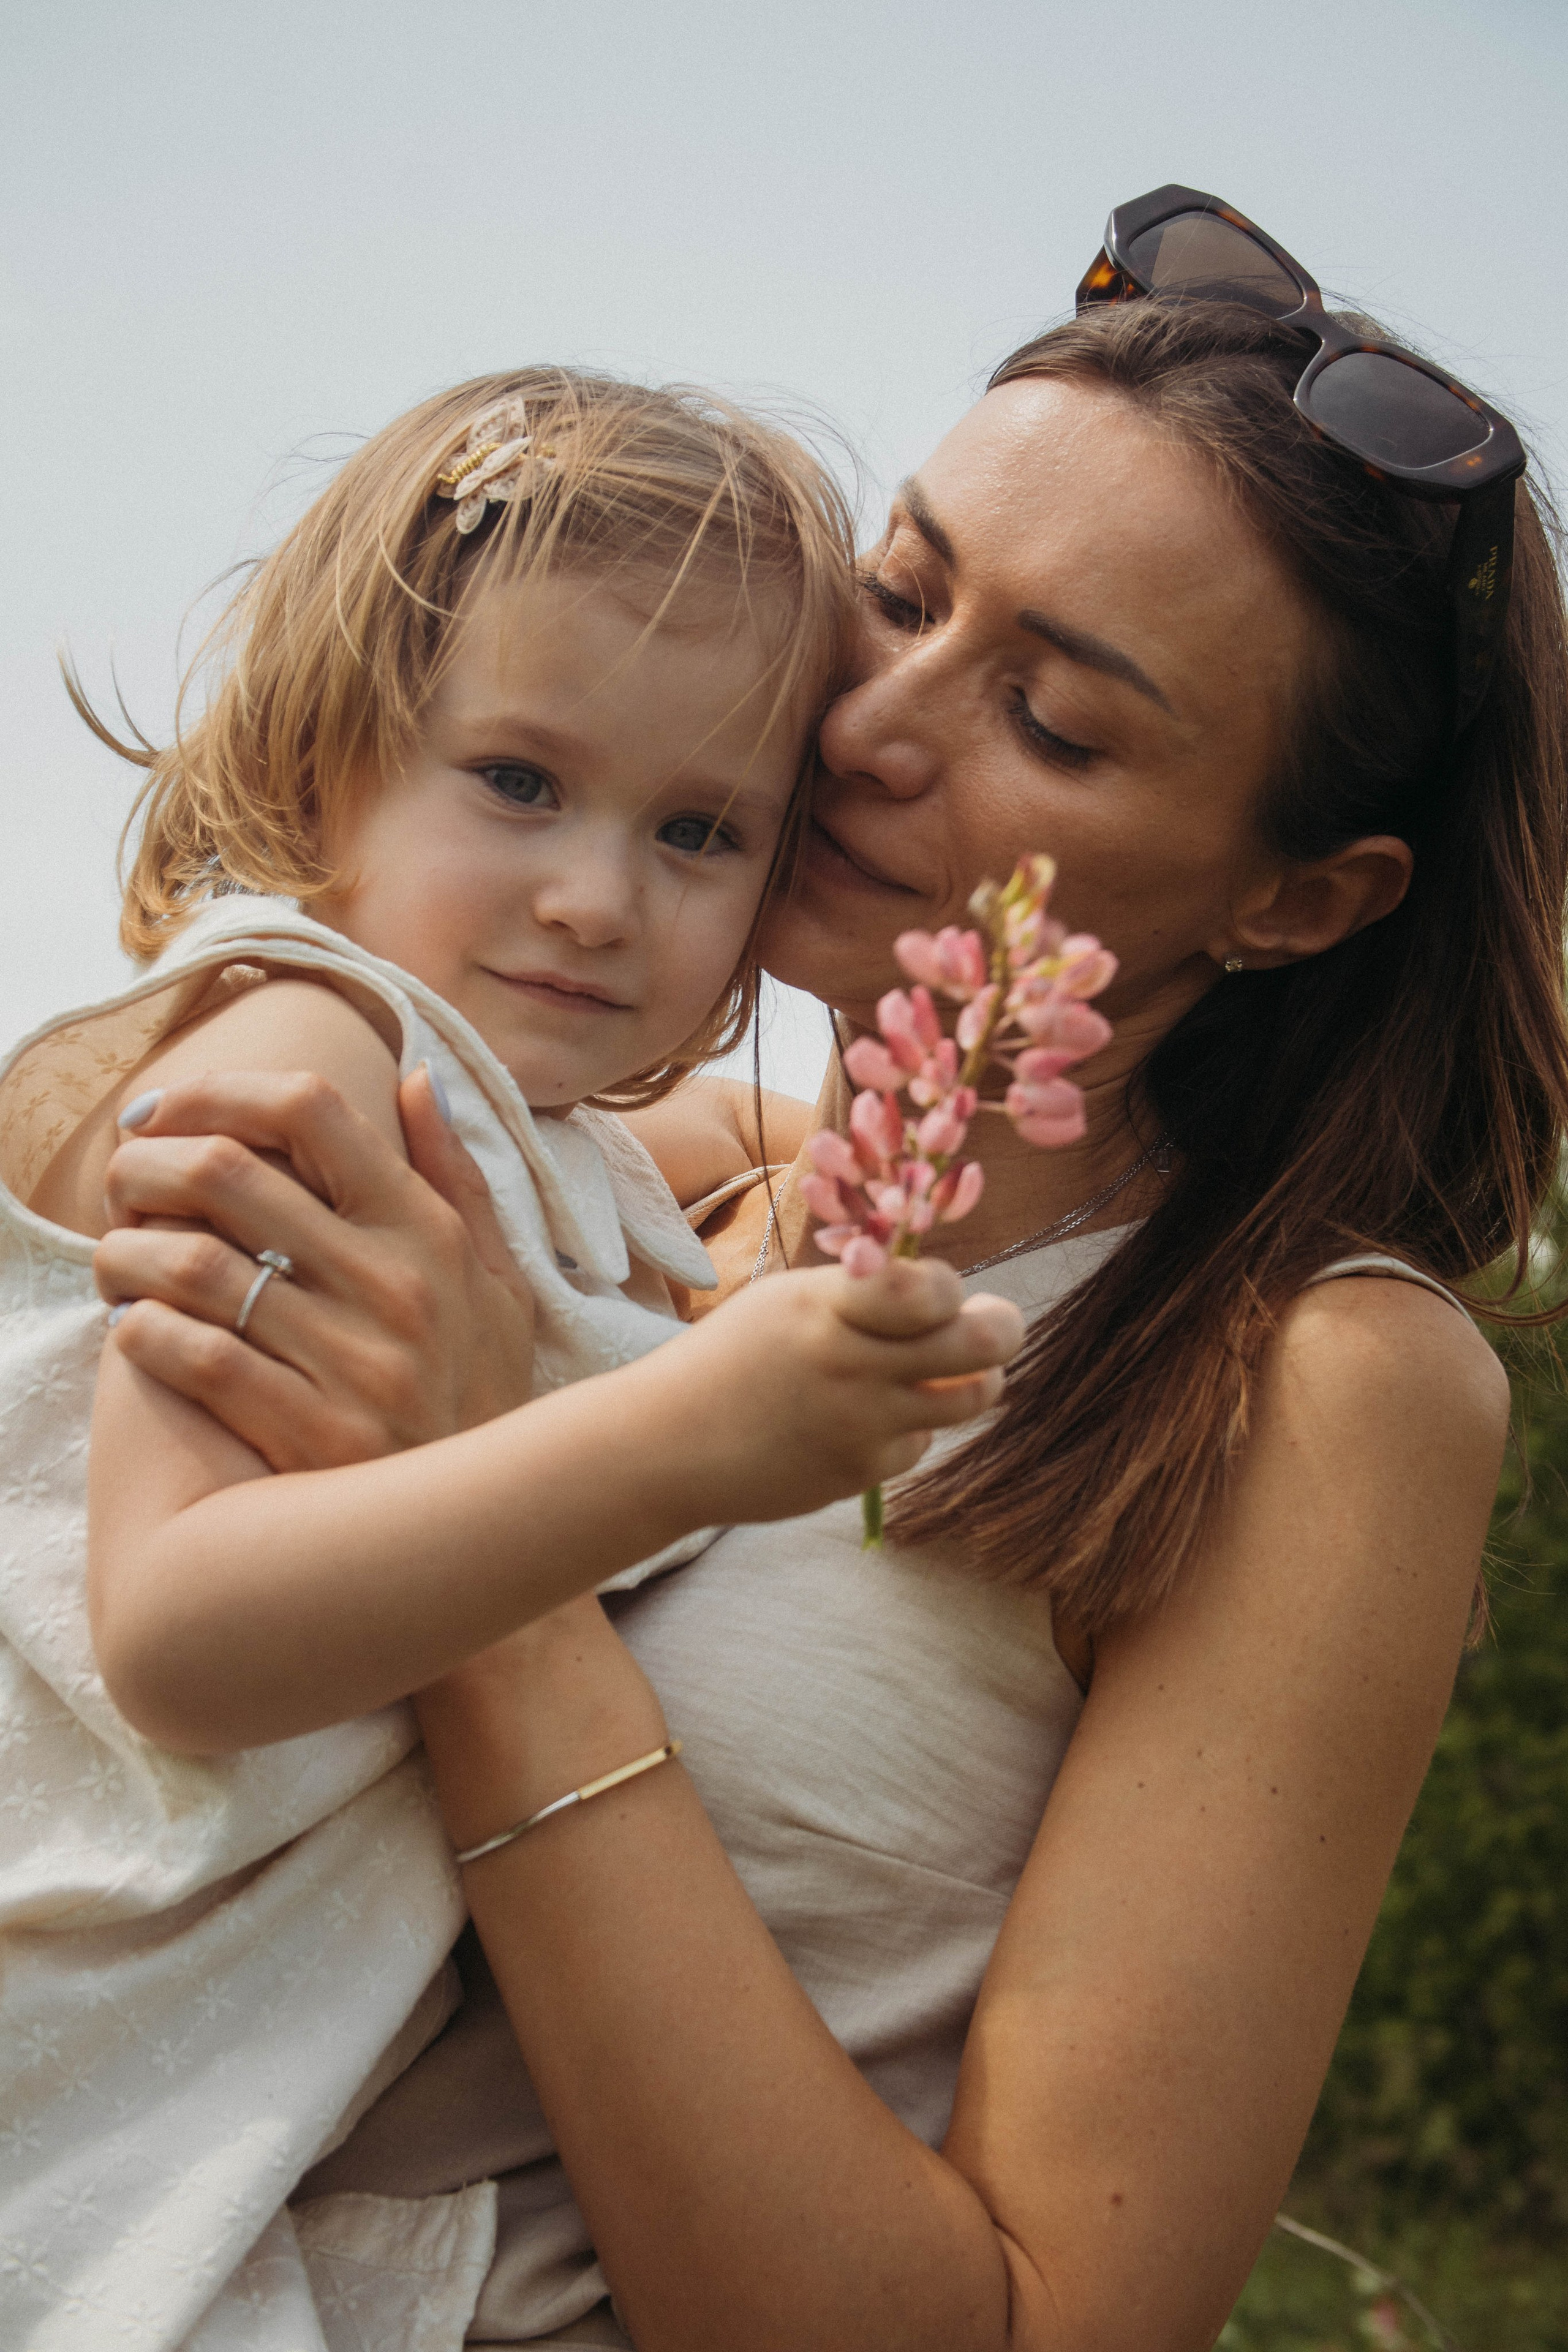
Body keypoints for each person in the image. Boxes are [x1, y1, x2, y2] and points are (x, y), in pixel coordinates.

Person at [81, 193, 1568, 2351]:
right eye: (899, 595)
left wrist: (508, 1570)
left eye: (1053, 723)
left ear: (1302, 903)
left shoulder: (1314, 1376)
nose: (870, 726)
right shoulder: (628, 1177)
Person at [0, 369, 1024, 2351]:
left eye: (701, 830)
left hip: (229, 2073)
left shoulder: (521, 1128)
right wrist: (692, 1440)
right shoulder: (303, 1073)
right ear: (326, 777)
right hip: (83, 2023)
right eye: (519, 782)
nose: (593, 897)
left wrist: (868, 1168)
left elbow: (641, 1205)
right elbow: (181, 1634)